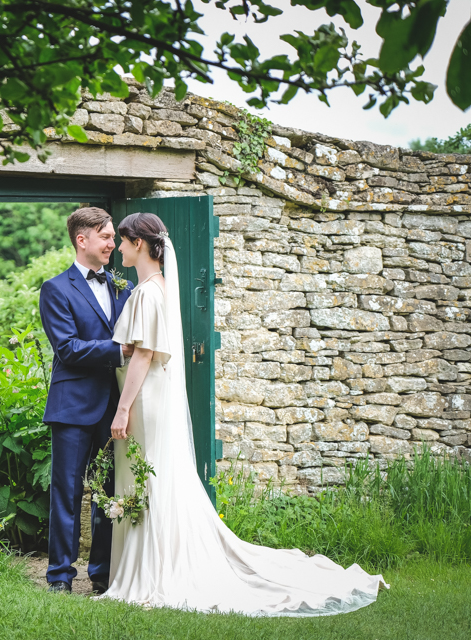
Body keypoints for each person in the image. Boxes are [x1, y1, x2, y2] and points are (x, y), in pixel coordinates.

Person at [102, 211, 388, 615]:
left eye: (124, 241)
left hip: (143, 398)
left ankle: (154, 571)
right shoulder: (158, 287)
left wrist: (122, 407)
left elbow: (144, 354)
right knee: (153, 477)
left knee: (148, 477)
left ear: (139, 243)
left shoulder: (148, 292)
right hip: (151, 397)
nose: (119, 250)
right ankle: (148, 565)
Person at [38, 207, 134, 594]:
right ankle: (59, 576)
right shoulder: (56, 289)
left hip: (113, 406)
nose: (114, 243)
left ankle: (101, 574)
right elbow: (67, 349)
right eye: (107, 236)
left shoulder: (121, 287)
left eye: (113, 237)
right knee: (67, 492)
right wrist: (118, 349)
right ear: (83, 240)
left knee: (108, 493)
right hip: (73, 407)